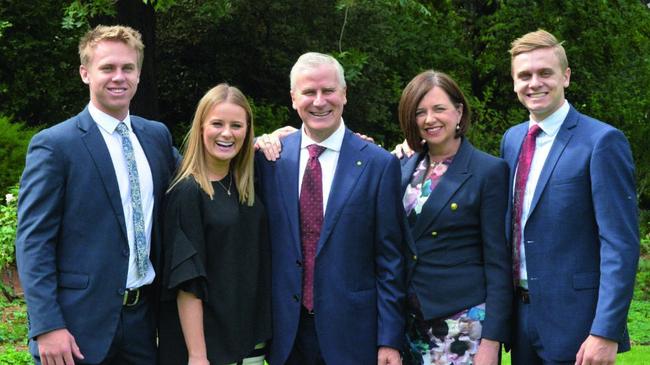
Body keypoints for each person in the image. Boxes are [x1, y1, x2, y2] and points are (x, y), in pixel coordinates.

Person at [15, 25, 178, 364]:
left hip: (142, 324)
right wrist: (47, 325)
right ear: (85, 73)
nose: (119, 77)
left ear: (138, 74)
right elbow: (34, 241)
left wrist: (262, 144)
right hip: (75, 329)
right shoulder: (56, 145)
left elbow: (202, 172)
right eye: (108, 68)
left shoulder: (156, 137)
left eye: (127, 68)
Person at [255, 52, 406, 365]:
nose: (319, 101)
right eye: (309, 92)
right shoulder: (269, 160)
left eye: (329, 90)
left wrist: (389, 339)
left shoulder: (378, 165)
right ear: (294, 98)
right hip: (286, 335)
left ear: (345, 94)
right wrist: (256, 142)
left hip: (353, 335)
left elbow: (391, 259)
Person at [502, 29, 639, 364]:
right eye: (524, 75)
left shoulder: (602, 142)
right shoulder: (512, 139)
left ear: (565, 77)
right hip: (520, 322)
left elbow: (620, 245)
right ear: (515, 82)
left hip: (579, 327)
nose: (534, 83)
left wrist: (605, 332)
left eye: (544, 73)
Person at [398, 70, 512, 365]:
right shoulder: (401, 168)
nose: (429, 119)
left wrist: (491, 342)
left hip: (462, 325)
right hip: (409, 322)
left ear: (458, 112)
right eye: (420, 112)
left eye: (439, 109)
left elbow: (498, 262)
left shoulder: (488, 171)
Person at [158, 83, 271, 365]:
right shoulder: (187, 192)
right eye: (217, 124)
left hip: (250, 339)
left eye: (236, 125)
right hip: (207, 347)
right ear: (200, 128)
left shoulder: (249, 182)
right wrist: (198, 356)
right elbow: (187, 284)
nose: (227, 133)